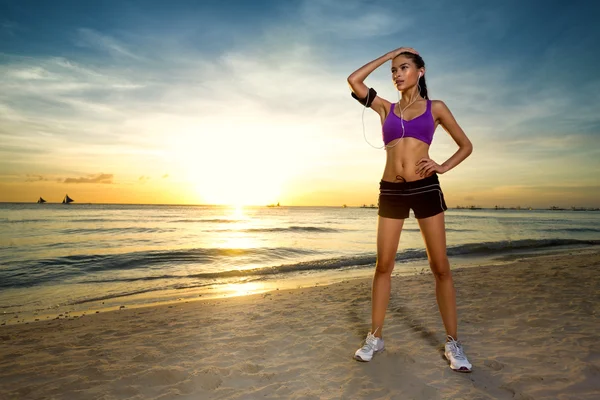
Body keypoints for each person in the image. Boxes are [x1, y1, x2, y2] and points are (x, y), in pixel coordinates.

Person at [347, 47, 473, 372]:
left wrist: (442, 167)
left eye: (403, 67)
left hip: (425, 187)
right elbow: (354, 79)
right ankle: (375, 337)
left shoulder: (436, 108)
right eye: (393, 70)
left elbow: (466, 145)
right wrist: (390, 53)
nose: (397, 74)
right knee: (383, 265)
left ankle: (453, 343)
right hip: (391, 190)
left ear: (421, 71)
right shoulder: (384, 107)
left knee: (440, 267)